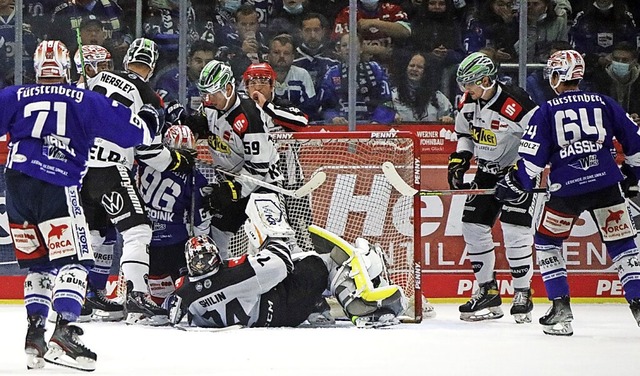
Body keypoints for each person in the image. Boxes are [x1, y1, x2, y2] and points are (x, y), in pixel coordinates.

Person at [1, 40, 158, 371]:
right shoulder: (85, 99)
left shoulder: (14, 95)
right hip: (58, 185)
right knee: (76, 262)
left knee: (39, 266)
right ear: (67, 70)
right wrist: (146, 121)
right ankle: (64, 334)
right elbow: (135, 134)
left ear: (36, 68)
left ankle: (34, 336)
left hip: (16, 187)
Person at [495, 49, 640, 335]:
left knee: (547, 241)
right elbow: (635, 145)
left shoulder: (547, 110)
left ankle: (561, 311)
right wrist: (632, 177)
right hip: (606, 186)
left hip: (567, 190)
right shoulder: (604, 102)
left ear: (558, 76)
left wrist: (514, 184)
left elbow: (531, 162)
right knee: (623, 244)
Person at [82, 37, 196, 325]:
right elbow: (148, 151)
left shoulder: (96, 79)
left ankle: (85, 294)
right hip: (110, 166)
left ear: (125, 60)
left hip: (81, 167)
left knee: (97, 232)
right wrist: (178, 160)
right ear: (153, 66)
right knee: (138, 231)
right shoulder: (149, 96)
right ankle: (136, 295)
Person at [166, 194, 407, 328]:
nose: (204, 263)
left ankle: (318, 307)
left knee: (298, 260)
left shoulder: (187, 293)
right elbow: (279, 265)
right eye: (202, 260)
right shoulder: (230, 275)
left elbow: (181, 299)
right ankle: (361, 307)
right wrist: (273, 233)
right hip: (286, 304)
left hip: (273, 310)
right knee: (329, 261)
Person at [451, 52, 538, 323]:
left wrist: (521, 173)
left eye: (470, 84)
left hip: (519, 172)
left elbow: (538, 137)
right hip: (487, 171)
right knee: (473, 227)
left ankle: (523, 292)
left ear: (486, 80)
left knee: (515, 230)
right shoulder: (468, 102)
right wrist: (459, 160)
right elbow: (465, 134)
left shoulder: (516, 102)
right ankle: (487, 290)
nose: (466, 90)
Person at [184, 59, 284, 259]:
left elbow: (259, 167)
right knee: (216, 235)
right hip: (233, 181)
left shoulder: (249, 116)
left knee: (272, 242)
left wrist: (231, 190)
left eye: (213, 93)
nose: (208, 98)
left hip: (262, 185)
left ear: (229, 88)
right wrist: (192, 128)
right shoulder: (210, 106)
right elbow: (199, 123)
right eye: (205, 93)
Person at [137, 123, 211, 305]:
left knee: (154, 292)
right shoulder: (194, 177)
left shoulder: (144, 164)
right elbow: (200, 219)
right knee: (180, 293)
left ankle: (142, 301)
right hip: (176, 242)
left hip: (145, 237)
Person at [319, 33, 395, 124]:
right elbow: (325, 106)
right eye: (344, 45)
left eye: (353, 45)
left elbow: (386, 101)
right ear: (339, 50)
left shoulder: (375, 69)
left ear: (362, 48)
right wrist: (333, 117)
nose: (348, 48)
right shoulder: (332, 73)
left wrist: (378, 121)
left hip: (372, 126)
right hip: (341, 127)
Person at [154, 40, 217, 114]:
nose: (203, 66)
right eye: (198, 61)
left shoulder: (217, 81)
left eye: (208, 62)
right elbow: (162, 110)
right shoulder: (170, 79)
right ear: (188, 61)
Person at [391, 52, 454, 123]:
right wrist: (390, 116)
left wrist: (448, 120)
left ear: (426, 71)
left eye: (419, 67)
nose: (414, 69)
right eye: (412, 65)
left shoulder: (438, 97)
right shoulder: (393, 95)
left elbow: (451, 116)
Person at [267, 34, 318, 119]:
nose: (282, 56)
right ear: (268, 56)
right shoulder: (256, 73)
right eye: (276, 52)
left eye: (286, 53)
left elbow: (310, 107)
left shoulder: (302, 75)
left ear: (293, 57)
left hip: (296, 125)